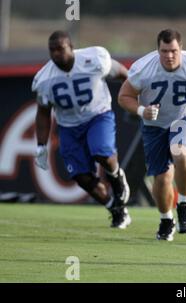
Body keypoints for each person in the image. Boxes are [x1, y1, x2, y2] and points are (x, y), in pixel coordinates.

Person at [118, 29, 186, 241]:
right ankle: (166, 219)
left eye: (173, 51)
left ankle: (184, 205)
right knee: (162, 178)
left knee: (181, 154)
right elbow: (124, 96)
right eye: (164, 51)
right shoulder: (144, 68)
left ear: (181, 48)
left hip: (185, 117)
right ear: (157, 49)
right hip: (154, 125)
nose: (169, 55)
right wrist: (142, 110)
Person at [32, 30, 132, 229]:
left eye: (60, 49)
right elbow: (43, 113)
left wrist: (134, 100)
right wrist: (41, 146)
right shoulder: (44, 79)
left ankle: (116, 176)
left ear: (71, 47)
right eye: (52, 50)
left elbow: (123, 74)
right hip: (68, 127)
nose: (56, 54)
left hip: (98, 115)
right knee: (80, 176)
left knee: (101, 152)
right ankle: (116, 209)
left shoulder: (94, 59)